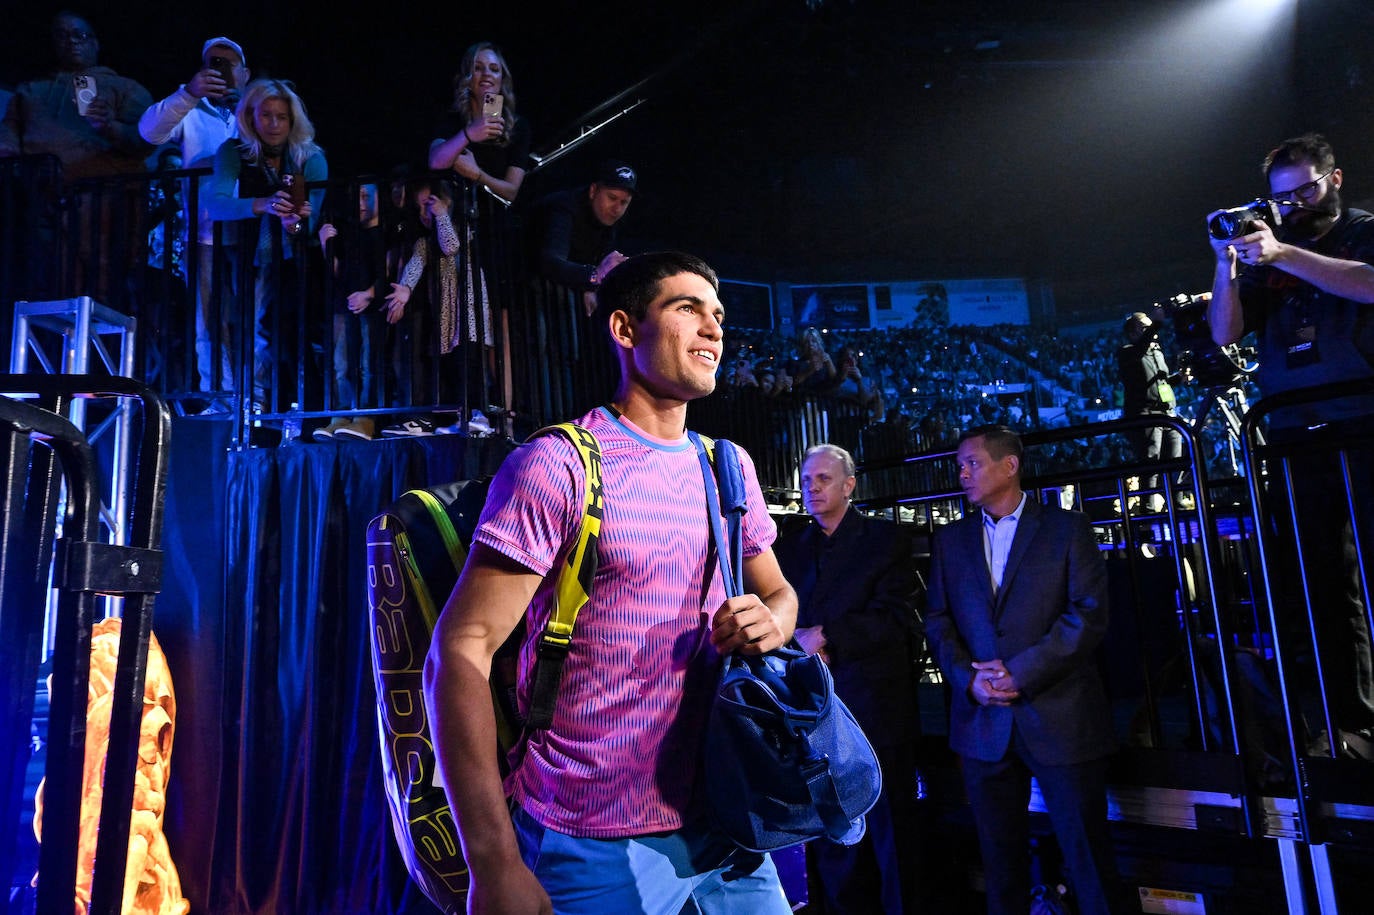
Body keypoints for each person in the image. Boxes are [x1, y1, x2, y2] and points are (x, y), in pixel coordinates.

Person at [423, 251, 797, 914]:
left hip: (729, 824)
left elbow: (781, 594)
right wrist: (494, 860)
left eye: (718, 315)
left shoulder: (728, 468)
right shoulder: (559, 463)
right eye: (687, 309)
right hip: (585, 835)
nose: (712, 328)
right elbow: (459, 650)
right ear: (625, 330)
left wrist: (775, 620)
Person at [1206, 132, 1374, 758]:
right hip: (1295, 429)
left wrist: (1281, 255)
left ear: (1334, 179)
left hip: (1363, 417)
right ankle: (1352, 724)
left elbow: (1368, 284)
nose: (1296, 204)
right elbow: (1225, 331)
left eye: (1306, 189)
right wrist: (1226, 262)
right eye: (1283, 197)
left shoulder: (1359, 231)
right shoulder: (1271, 252)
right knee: (1323, 584)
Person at [923, 425, 1119, 915]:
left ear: (1009, 466)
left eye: (973, 463)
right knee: (999, 864)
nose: (962, 473)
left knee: (1088, 859)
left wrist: (1020, 672)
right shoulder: (949, 541)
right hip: (981, 726)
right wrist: (968, 678)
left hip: (1061, 720)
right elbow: (937, 620)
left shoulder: (1066, 528)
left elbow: (1088, 613)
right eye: (961, 464)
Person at [774, 444, 921, 914]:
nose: (811, 489)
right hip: (814, 708)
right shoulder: (788, 547)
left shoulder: (885, 541)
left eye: (822, 479)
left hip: (874, 703)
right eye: (807, 480)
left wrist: (828, 634)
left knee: (891, 826)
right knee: (829, 823)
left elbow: (898, 620)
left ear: (849, 484)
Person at [138, 36, 251, 405]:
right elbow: (149, 132)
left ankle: (258, 397)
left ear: (244, 73)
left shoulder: (257, 110)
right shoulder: (190, 107)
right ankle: (221, 398)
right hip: (204, 233)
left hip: (255, 230)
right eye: (212, 62)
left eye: (228, 63)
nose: (219, 68)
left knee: (254, 317)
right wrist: (188, 93)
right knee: (209, 318)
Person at [205, 78, 326, 409]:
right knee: (252, 330)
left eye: (281, 117)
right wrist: (261, 204)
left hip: (298, 261)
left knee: (290, 337)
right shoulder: (235, 151)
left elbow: (312, 217)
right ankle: (255, 405)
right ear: (251, 117)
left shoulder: (309, 156)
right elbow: (215, 203)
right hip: (251, 258)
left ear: (292, 119)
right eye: (266, 115)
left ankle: (297, 410)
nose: (274, 124)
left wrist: (295, 220)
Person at [0, 11, 151, 182]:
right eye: (62, 35)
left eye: (80, 35)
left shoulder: (127, 88)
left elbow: (146, 141)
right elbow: (9, 132)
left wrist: (109, 126)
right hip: (43, 196)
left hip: (104, 196)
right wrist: (7, 148)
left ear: (95, 44)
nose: (72, 41)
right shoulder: (29, 90)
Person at [314, 182, 385, 441]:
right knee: (340, 363)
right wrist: (325, 245)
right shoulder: (350, 234)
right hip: (343, 306)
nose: (361, 203)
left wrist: (369, 294)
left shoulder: (384, 233)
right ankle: (340, 416)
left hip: (371, 308)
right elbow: (337, 274)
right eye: (358, 197)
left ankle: (366, 418)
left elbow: (389, 271)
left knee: (368, 363)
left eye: (367, 196)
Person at [531, 158, 636, 313]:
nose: (617, 209)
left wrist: (591, 286)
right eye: (612, 198)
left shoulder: (608, 222)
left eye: (624, 202)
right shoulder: (563, 207)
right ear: (593, 191)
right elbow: (549, 262)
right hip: (521, 294)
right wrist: (594, 276)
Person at [1116, 310, 1183, 482]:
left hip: (1167, 413)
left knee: (1176, 462)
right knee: (1151, 462)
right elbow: (1140, 349)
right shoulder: (1127, 352)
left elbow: (1162, 383)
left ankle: (1178, 502)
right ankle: (1150, 507)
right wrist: (1157, 324)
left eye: (1149, 327)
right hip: (1146, 414)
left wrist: (1179, 378)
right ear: (1131, 333)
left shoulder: (1157, 353)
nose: (1149, 331)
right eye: (1144, 328)